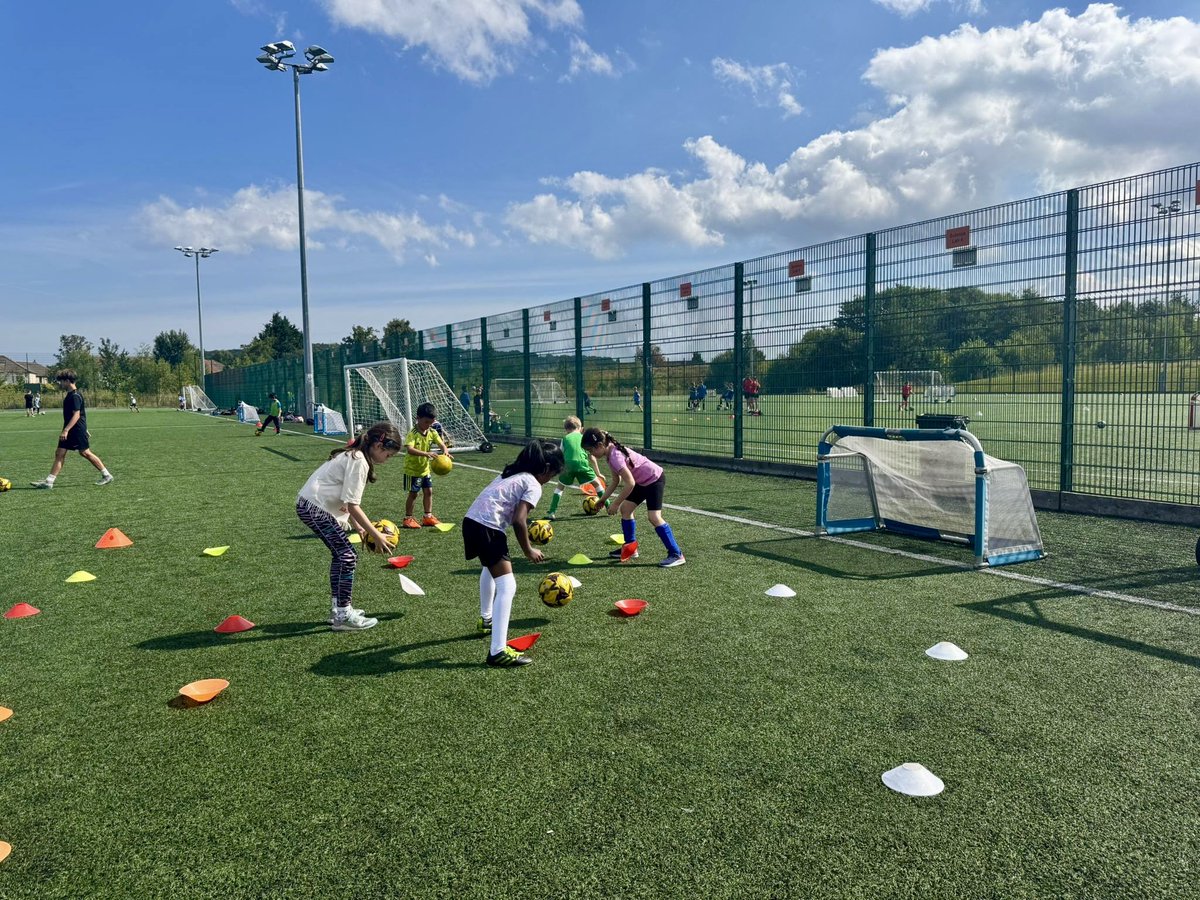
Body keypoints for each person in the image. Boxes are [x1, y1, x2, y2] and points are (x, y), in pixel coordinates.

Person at [463, 439, 564, 667]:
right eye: (553, 474)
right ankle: (497, 651)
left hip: (472, 522)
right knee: (508, 586)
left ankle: (486, 618)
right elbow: (520, 521)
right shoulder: (533, 484)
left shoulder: (512, 473)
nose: (550, 480)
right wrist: (528, 550)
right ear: (546, 468)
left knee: (490, 568)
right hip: (486, 526)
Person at [296, 422, 402, 631]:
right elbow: (353, 506)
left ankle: (339, 610)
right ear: (379, 446)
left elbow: (346, 501)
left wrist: (360, 529)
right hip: (315, 507)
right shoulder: (359, 460)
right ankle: (343, 613)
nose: (387, 460)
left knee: (342, 555)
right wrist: (376, 535)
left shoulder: (355, 456)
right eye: (388, 455)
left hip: (309, 505)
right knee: (347, 556)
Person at [581, 428, 684, 568]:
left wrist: (615, 504)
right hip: (642, 482)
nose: (590, 454)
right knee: (626, 509)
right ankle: (630, 548)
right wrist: (603, 499)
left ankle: (676, 554)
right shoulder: (610, 453)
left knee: (654, 517)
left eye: (590, 450)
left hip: (654, 479)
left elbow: (630, 483)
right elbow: (615, 481)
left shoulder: (615, 456)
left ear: (599, 446)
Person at [30, 370, 114, 489]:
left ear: (67, 381)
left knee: (85, 452)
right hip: (73, 428)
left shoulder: (75, 396)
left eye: (61, 381)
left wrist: (67, 430)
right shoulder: (71, 394)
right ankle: (49, 482)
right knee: (60, 453)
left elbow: (77, 415)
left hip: (74, 429)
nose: (60, 384)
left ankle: (107, 475)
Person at [547, 416, 607, 521]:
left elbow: (559, 455)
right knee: (597, 484)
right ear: (580, 428)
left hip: (568, 466)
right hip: (582, 464)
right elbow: (592, 457)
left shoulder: (565, 439)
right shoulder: (583, 438)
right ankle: (609, 506)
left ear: (566, 430)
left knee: (560, 487)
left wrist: (557, 469)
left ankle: (552, 512)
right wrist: (598, 473)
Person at [402, 402, 451, 528]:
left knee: (428, 491)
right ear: (418, 418)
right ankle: (408, 518)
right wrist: (426, 453)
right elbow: (409, 449)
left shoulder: (432, 432)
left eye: (431, 423)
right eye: (426, 422)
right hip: (412, 470)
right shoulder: (413, 433)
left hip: (425, 469)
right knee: (414, 494)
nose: (428, 426)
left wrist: (445, 450)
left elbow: (441, 443)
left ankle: (427, 517)